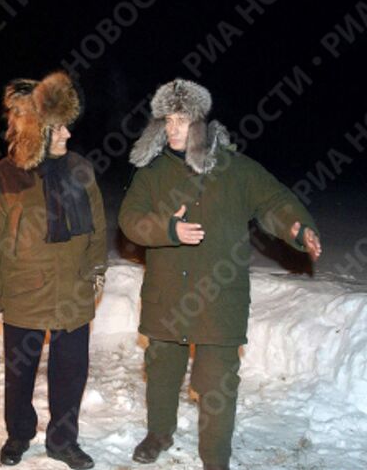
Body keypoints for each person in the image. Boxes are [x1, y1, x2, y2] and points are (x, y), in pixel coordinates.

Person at [118, 78, 322, 470]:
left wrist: (298, 228)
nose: (174, 128)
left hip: (218, 299)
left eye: (182, 119)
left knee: (216, 385)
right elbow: (129, 220)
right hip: (166, 296)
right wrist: (167, 230)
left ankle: (216, 458)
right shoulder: (152, 173)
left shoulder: (234, 169)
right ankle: (159, 432)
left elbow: (273, 201)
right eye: (167, 120)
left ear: (200, 122)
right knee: (161, 370)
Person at [0, 71, 107, 469]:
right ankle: (19, 434)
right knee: (20, 376)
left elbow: (98, 229)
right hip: (23, 294)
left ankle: (63, 441)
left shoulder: (81, 169)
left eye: (65, 126)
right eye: (58, 128)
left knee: (70, 374)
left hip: (73, 293)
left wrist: (97, 271)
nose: (67, 135)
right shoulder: (1, 178)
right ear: (36, 131)